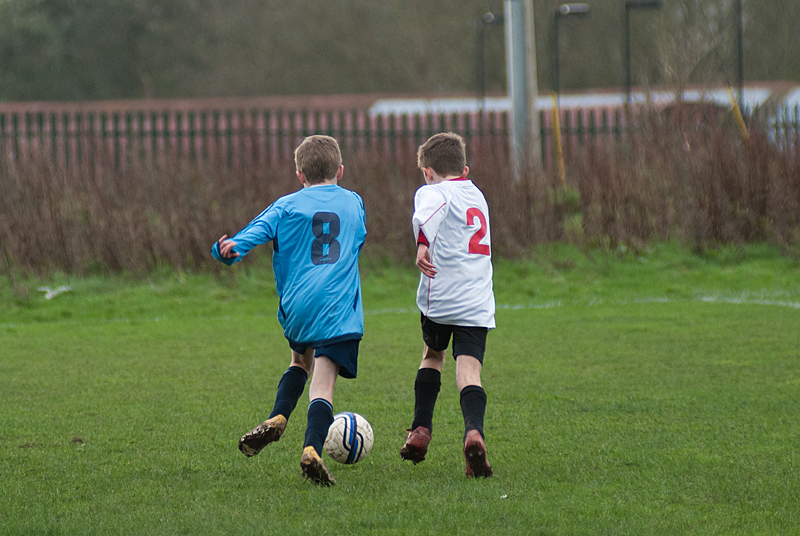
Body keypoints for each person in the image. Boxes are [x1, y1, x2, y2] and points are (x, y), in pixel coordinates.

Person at [211, 135, 367, 486]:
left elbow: (245, 238)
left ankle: (279, 416)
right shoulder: (354, 202)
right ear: (340, 170)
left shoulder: (285, 206)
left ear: (299, 175)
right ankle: (312, 449)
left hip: (298, 306)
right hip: (339, 307)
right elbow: (357, 238)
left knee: (300, 362)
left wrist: (225, 251)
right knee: (322, 386)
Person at [399, 132, 495, 478]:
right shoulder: (477, 195)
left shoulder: (432, 190)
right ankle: (474, 432)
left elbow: (427, 214)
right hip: (476, 299)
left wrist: (422, 245)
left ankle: (421, 429)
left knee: (432, 355)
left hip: (440, 297)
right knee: (469, 371)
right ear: (464, 169)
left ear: (427, 171)